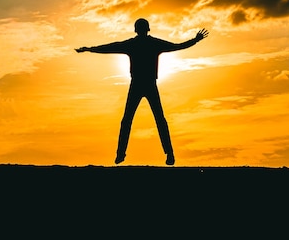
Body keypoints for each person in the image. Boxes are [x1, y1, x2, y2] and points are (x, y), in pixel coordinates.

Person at [76, 18, 209, 165]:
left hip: (142, 84)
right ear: (147, 29)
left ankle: (123, 154)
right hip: (146, 84)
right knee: (156, 120)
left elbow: (110, 47)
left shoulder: (134, 44)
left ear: (136, 29)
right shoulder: (151, 43)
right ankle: (167, 154)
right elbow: (177, 46)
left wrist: (89, 49)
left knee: (131, 120)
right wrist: (195, 40)